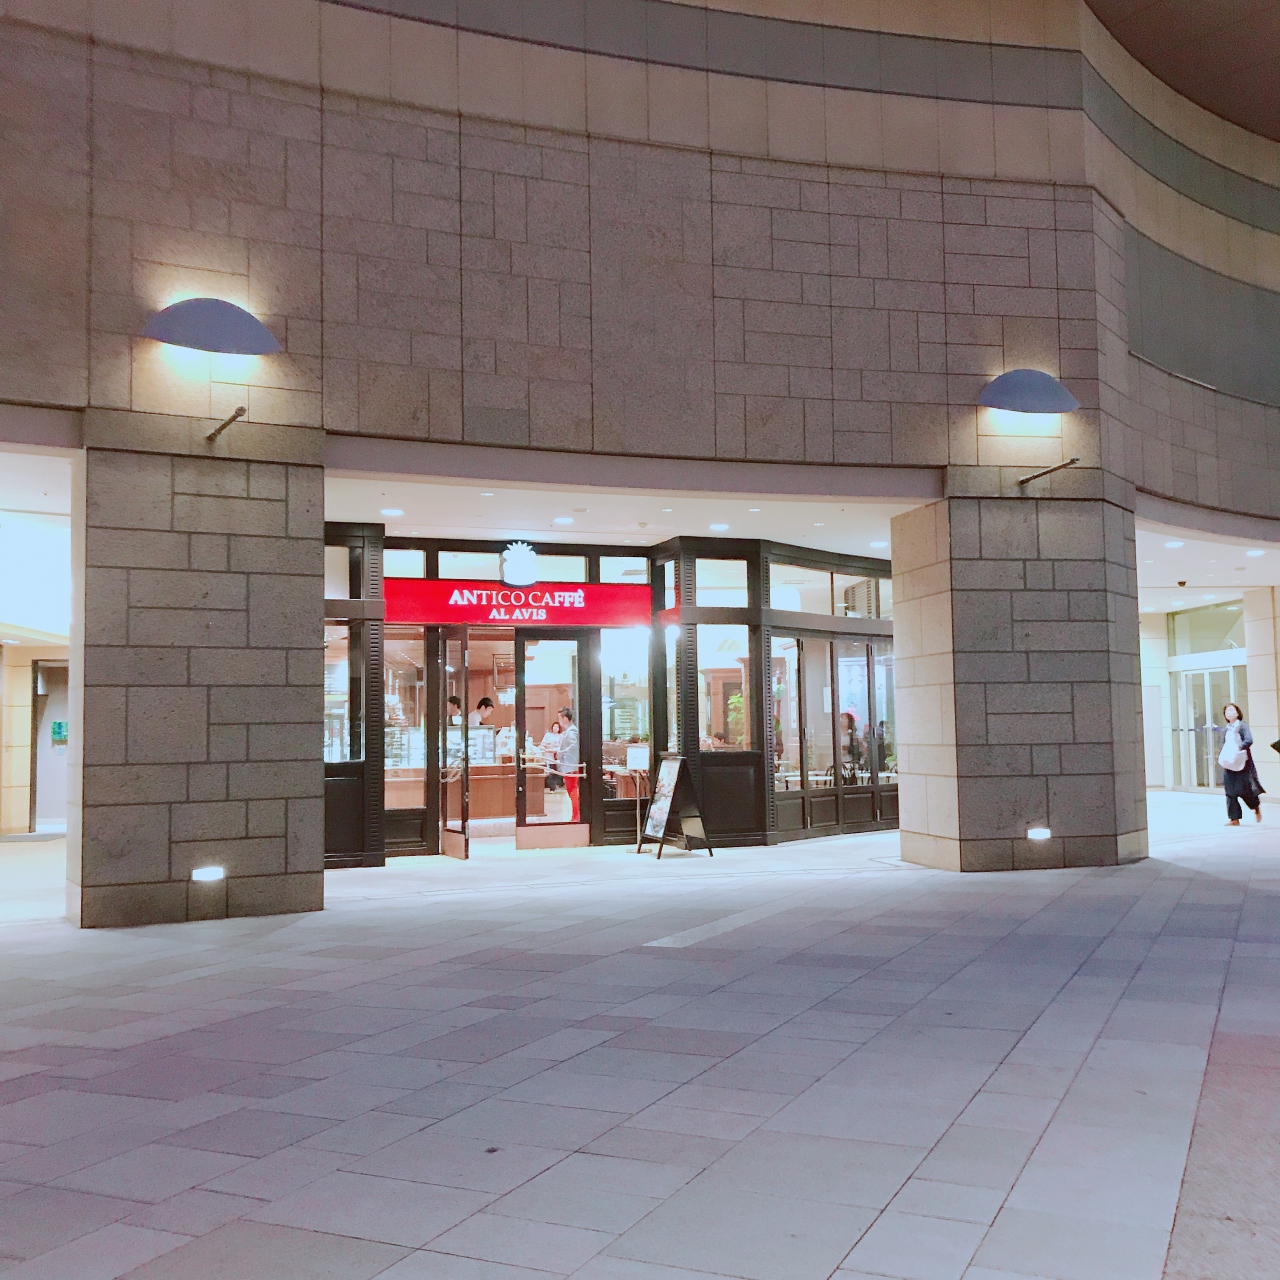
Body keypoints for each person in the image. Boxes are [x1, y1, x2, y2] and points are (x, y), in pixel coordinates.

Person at [1219, 702, 1264, 826]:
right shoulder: (1226, 729)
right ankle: (1234, 818)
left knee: (1243, 790)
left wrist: (1238, 748)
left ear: (1238, 712)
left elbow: (1249, 740)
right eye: (1227, 711)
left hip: (1242, 763)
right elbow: (1222, 744)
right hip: (1229, 763)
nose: (1230, 713)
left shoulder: (1242, 726)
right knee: (1229, 791)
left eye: (1232, 710)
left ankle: (1255, 806)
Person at [556, 706, 581, 821]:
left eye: (560, 718)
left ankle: (576, 816)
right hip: (568, 766)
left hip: (571, 766)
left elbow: (573, 746)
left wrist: (561, 752)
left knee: (573, 791)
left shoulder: (572, 731)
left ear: (565, 718)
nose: (559, 721)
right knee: (571, 791)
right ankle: (575, 815)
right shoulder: (568, 731)